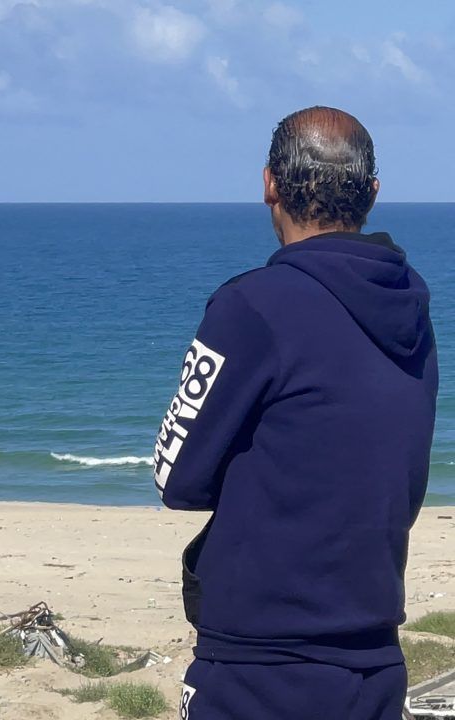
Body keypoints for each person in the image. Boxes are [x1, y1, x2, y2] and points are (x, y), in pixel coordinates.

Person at [154, 106, 437, 719]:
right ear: (372, 193)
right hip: (374, 648)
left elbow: (176, 477)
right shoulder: (411, 310)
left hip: (260, 659)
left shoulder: (251, 306)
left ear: (270, 185)